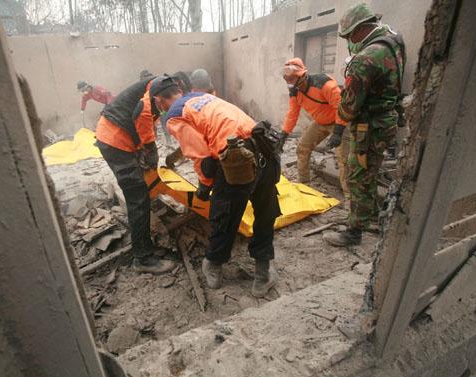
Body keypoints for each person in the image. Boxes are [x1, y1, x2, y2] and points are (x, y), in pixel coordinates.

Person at [150, 77, 282, 298]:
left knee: (224, 215)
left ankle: (213, 264)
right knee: (265, 211)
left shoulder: (173, 116)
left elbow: (201, 156)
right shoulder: (204, 98)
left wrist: (205, 185)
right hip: (265, 148)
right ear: (180, 90)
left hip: (236, 161)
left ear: (158, 101)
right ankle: (264, 270)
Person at [323, 3, 405, 247]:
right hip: (387, 118)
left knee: (357, 175)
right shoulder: (393, 41)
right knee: (370, 171)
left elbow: (348, 107)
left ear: (360, 29)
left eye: (349, 35)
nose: (349, 40)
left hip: (368, 127)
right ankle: (368, 218)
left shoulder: (365, 59)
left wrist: (339, 123)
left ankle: (353, 232)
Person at [94, 76, 176, 273]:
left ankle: (145, 231)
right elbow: (148, 138)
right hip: (115, 140)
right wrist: (151, 157)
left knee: (141, 185)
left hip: (122, 134)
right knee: (137, 197)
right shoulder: (146, 105)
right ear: (159, 99)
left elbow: (147, 131)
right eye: (166, 107)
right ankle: (143, 258)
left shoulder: (158, 88)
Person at [278, 58, 350, 203]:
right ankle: (304, 184)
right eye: (288, 80)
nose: (290, 83)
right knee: (302, 148)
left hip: (340, 122)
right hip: (321, 122)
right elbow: (292, 113)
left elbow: (340, 108)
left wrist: (338, 132)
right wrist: (284, 134)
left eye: (292, 79)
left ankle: (350, 197)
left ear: (303, 75)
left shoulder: (325, 85)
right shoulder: (295, 91)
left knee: (344, 160)